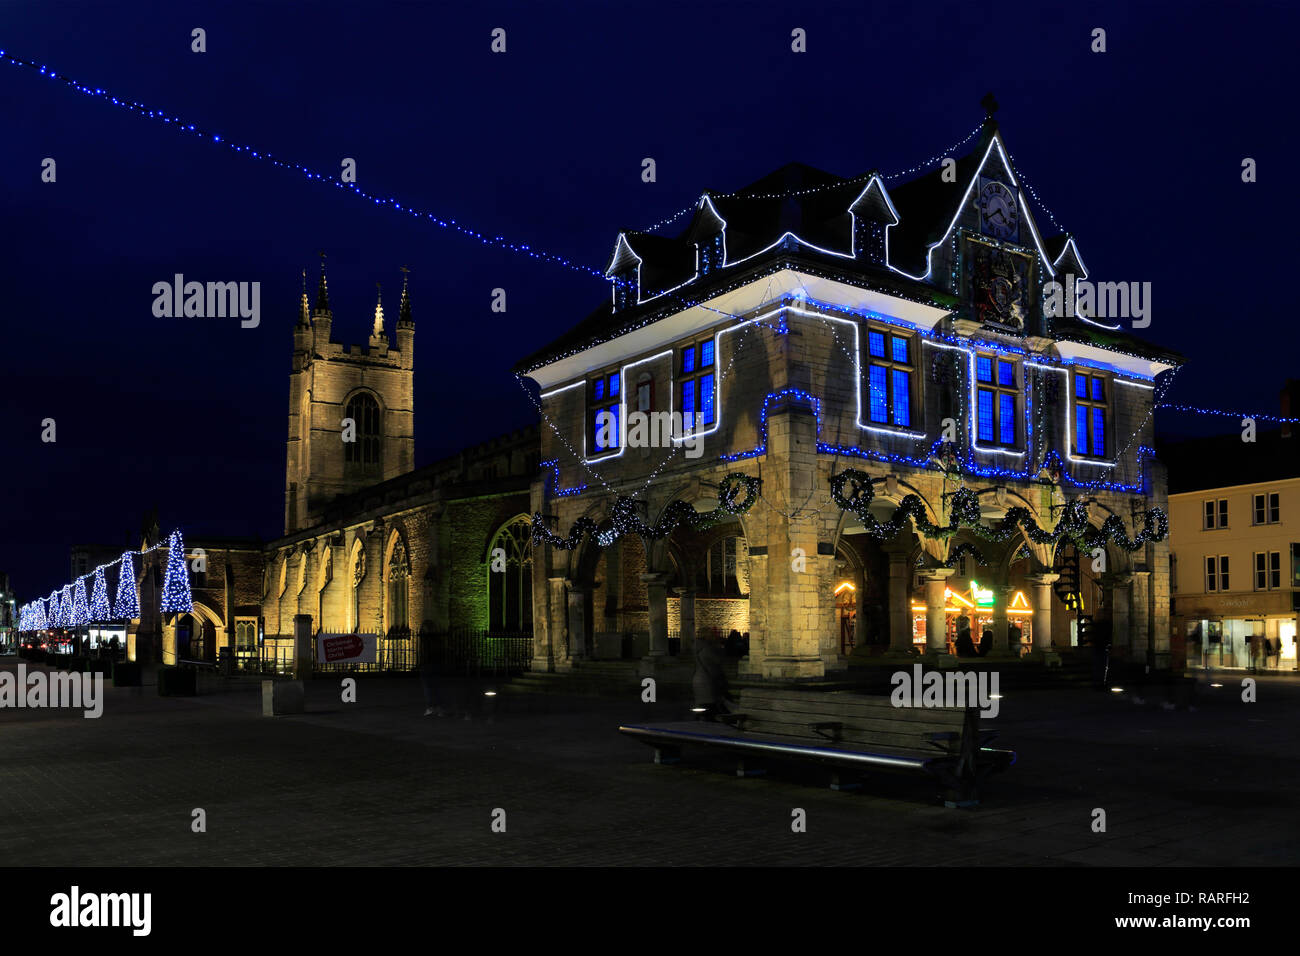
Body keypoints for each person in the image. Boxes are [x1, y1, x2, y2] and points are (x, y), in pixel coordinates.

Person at [692, 633, 732, 720]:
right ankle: (708, 720)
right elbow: (718, 662)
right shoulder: (707, 649)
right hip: (708, 679)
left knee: (702, 702)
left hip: (698, 678)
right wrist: (720, 649)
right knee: (711, 703)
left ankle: (700, 719)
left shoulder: (697, 648)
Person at [418, 627, 445, 717]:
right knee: (437, 688)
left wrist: (422, 664)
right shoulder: (438, 642)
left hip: (428, 667)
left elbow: (424, 656)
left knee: (428, 689)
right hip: (436, 666)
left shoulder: (425, 643)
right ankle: (439, 708)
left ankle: (431, 708)